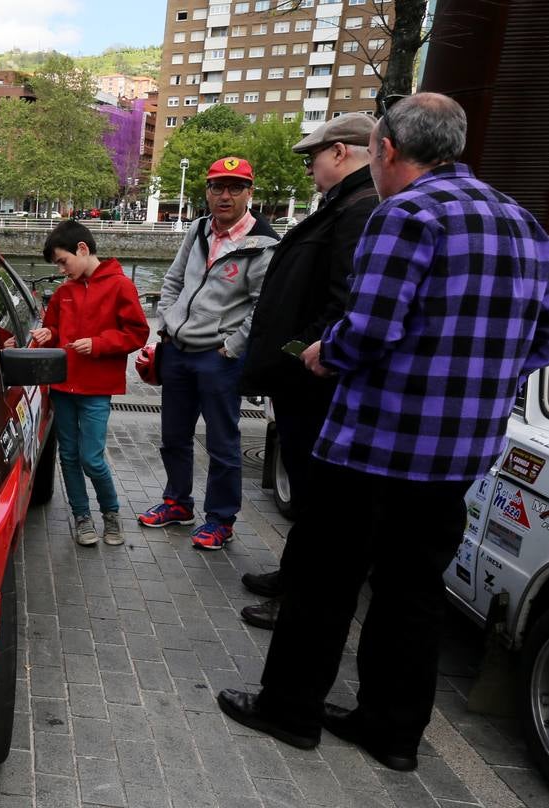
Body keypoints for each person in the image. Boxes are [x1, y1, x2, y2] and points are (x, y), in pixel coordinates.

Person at [217, 93, 549, 771]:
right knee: (413, 588)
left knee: (323, 577)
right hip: (461, 449)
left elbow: (368, 329)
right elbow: (540, 336)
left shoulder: (406, 215)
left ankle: (290, 709)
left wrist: (321, 353)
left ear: (387, 150)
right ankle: (390, 732)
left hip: (376, 440)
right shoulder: (522, 222)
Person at [236, 114, 381, 628]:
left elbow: (344, 303)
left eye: (313, 157)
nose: (310, 168)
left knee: (318, 500)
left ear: (340, 152)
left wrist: (301, 353)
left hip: (316, 383)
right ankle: (291, 576)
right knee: (306, 491)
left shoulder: (360, 210)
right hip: (304, 379)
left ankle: (298, 599)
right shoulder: (346, 206)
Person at [138, 157, 279, 550]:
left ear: (250, 193)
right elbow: (173, 280)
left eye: (235, 187)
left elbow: (261, 306)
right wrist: (165, 323)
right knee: (174, 436)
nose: (225, 195)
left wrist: (230, 348)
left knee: (222, 443)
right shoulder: (199, 230)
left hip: (218, 359)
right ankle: (177, 502)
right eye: (217, 187)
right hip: (178, 350)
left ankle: (220, 519)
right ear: (207, 192)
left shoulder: (262, 245)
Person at [20, 220, 149, 546]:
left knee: (91, 457)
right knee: (68, 457)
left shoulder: (121, 286)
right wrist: (48, 335)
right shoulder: (64, 292)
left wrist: (99, 343)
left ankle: (110, 513)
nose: (62, 271)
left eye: (63, 262)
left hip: (95, 390)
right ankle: (82, 516)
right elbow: (55, 333)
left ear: (82, 249)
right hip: (63, 387)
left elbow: (137, 333)